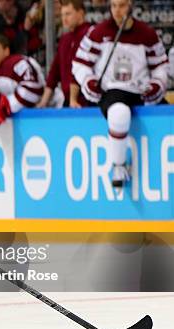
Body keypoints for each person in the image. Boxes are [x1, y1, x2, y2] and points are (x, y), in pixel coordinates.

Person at [72, 0, 168, 191]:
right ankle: (118, 164)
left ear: (131, 5)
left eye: (122, 5)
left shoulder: (147, 34)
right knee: (118, 113)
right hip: (113, 91)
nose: (117, 11)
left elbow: (160, 65)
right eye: (114, 5)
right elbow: (80, 63)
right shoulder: (99, 32)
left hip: (141, 92)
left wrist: (158, 84)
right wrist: (88, 80)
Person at [37, 0, 91, 108]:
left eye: (68, 14)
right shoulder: (65, 39)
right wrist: (43, 102)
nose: (64, 19)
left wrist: (74, 99)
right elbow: (54, 72)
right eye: (62, 15)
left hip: (88, 101)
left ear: (80, 13)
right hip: (69, 100)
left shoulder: (90, 34)